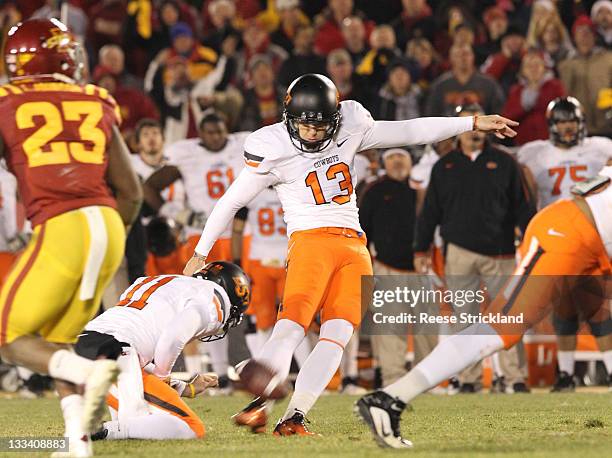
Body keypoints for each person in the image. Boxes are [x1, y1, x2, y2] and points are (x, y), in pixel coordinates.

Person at [182, 73, 519, 435]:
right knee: (292, 325)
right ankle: (262, 400)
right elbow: (231, 200)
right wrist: (201, 252)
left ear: (336, 118)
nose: (312, 133)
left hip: (355, 246)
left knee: (337, 335)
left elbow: (409, 131)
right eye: (305, 126)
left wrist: (470, 122)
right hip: (311, 242)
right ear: (289, 117)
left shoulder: (352, 124)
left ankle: (293, 416)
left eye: (321, 125)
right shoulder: (273, 145)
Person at [356, 164, 612, 448]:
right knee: (501, 328)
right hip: (568, 233)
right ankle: (390, 398)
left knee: (602, 319)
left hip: (593, 241)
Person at [0, 18, 142, 457]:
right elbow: (132, 192)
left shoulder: (7, 101)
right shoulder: (94, 99)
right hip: (107, 222)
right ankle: (78, 445)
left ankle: (85, 371)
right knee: (55, 342)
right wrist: (107, 239)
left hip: (61, 226)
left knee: (9, 338)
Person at [76, 261, 250, 441]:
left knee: (137, 426)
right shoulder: (214, 300)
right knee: (190, 427)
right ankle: (98, 431)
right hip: (113, 354)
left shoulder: (166, 282)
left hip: (86, 348)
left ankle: (106, 430)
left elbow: (140, 362)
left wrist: (185, 387)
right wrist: (163, 377)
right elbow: (172, 337)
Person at [517, 97, 612, 391]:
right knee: (564, 310)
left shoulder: (601, 148)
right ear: (552, 125)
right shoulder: (534, 153)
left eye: (572, 121)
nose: (568, 128)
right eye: (561, 122)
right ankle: (566, 374)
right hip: (555, 236)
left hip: (592, 234)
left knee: (599, 307)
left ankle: (609, 370)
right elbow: (525, 190)